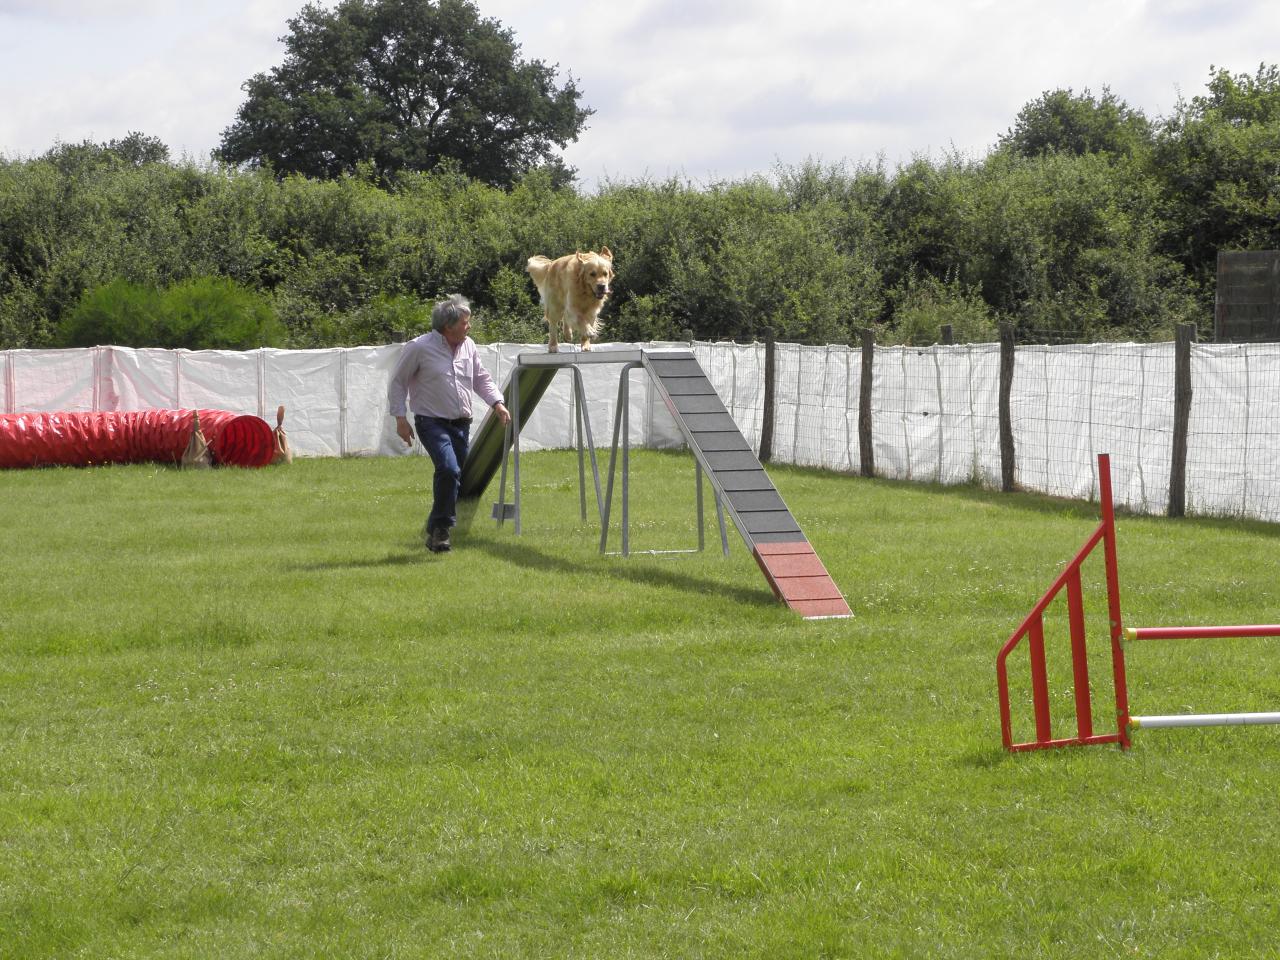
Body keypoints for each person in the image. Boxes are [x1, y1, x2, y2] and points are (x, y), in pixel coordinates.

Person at [388, 294, 510, 552]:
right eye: (465, 322)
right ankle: (443, 530)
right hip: (431, 422)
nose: (469, 326)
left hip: (461, 424)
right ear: (448, 326)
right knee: (448, 469)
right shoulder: (419, 348)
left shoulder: (469, 346)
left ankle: (434, 530)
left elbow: (480, 378)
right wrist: (400, 419)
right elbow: (398, 383)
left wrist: (497, 403)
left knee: (453, 476)